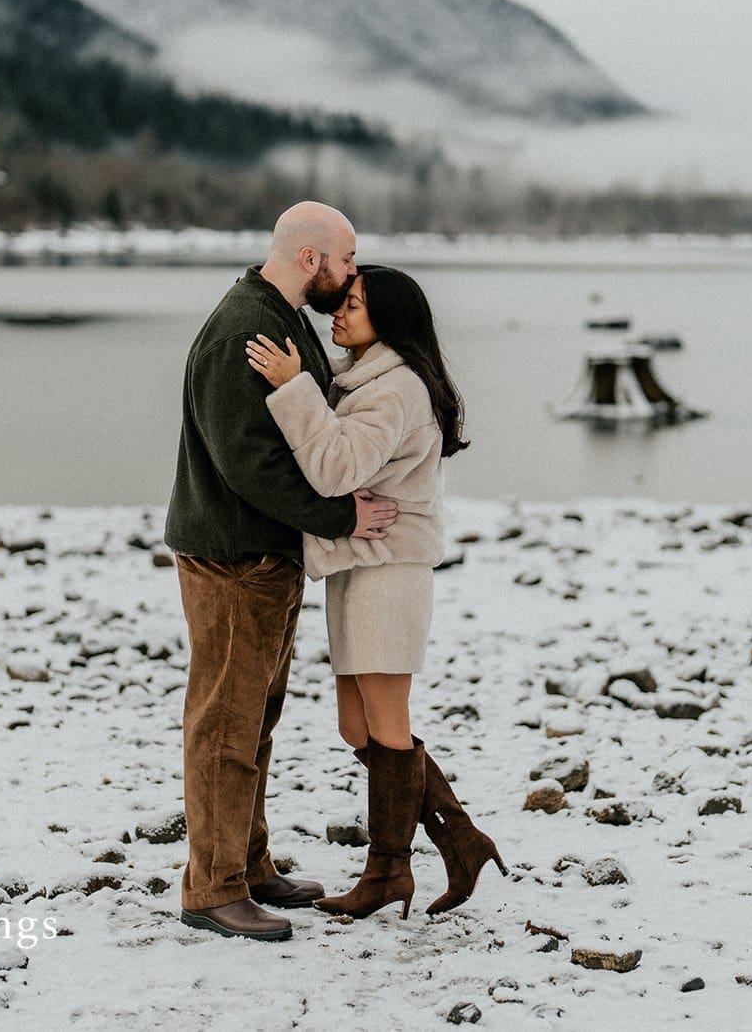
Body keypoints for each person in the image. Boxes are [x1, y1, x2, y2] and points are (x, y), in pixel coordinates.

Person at [164, 201, 400, 942]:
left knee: (255, 721)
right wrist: (340, 518)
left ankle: (249, 865)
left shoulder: (283, 315)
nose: (352, 272)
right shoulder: (246, 328)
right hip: (232, 556)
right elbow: (252, 465)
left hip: (262, 554)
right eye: (346, 259)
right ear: (309, 258)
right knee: (225, 724)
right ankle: (212, 888)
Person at [244, 265, 504, 921]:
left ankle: (389, 870)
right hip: (362, 564)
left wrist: (291, 387)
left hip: (390, 571)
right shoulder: (369, 377)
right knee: (355, 725)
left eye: (355, 306)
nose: (340, 313)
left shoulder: (398, 390)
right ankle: (462, 839)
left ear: (388, 318)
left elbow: (335, 467)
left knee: (385, 726)